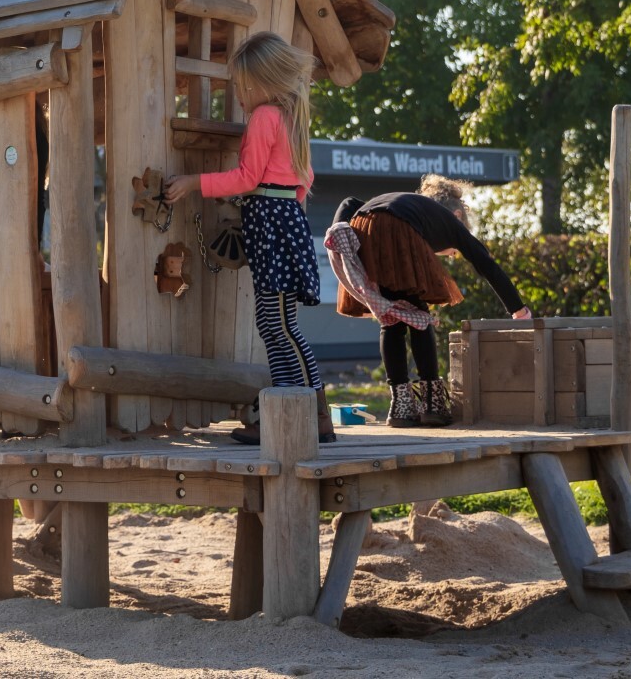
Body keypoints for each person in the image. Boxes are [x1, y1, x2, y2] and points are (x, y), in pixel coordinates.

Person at [164, 32, 334, 445]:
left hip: (272, 226)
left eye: (242, 87)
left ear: (262, 82)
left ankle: (305, 412)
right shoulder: (292, 119)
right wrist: (284, 211)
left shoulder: (264, 118)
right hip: (284, 222)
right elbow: (304, 179)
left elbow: (247, 177)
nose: (240, 96)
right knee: (279, 323)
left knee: (276, 324)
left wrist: (193, 183)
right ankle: (304, 411)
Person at [326, 175, 530, 427]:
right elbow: (486, 264)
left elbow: (349, 201)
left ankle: (401, 405)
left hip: (363, 227)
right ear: (457, 215)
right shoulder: (450, 223)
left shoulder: (412, 205)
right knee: (419, 315)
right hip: (396, 228)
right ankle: (432, 402)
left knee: (392, 318)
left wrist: (338, 228)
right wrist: (519, 310)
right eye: (451, 251)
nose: (450, 254)